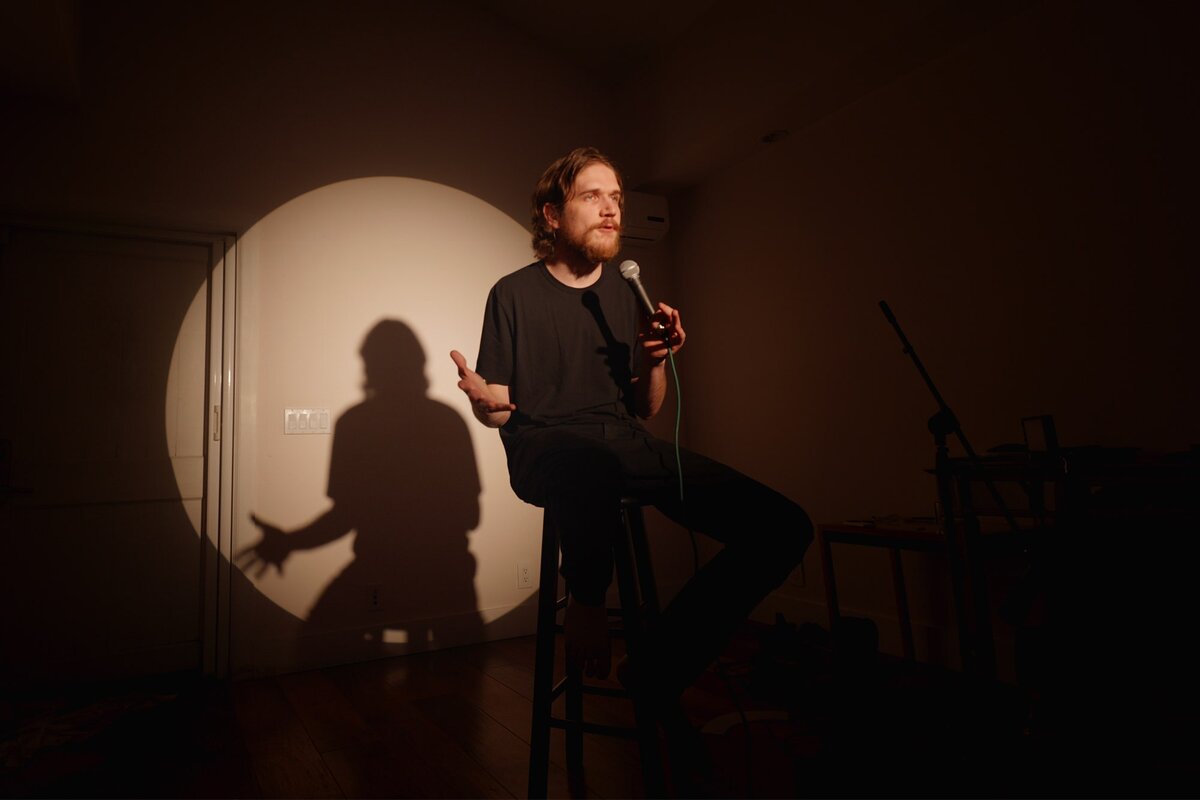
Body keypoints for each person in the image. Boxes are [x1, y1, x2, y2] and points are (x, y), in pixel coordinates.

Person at [450, 146, 812, 750]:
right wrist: (485, 404)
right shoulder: (512, 293)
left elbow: (645, 410)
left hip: (623, 442)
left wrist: (655, 361)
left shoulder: (625, 293)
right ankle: (588, 599)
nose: (611, 209)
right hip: (545, 446)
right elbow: (501, 408)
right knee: (589, 464)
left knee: (784, 527)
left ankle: (657, 668)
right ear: (551, 214)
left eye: (616, 197)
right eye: (593, 196)